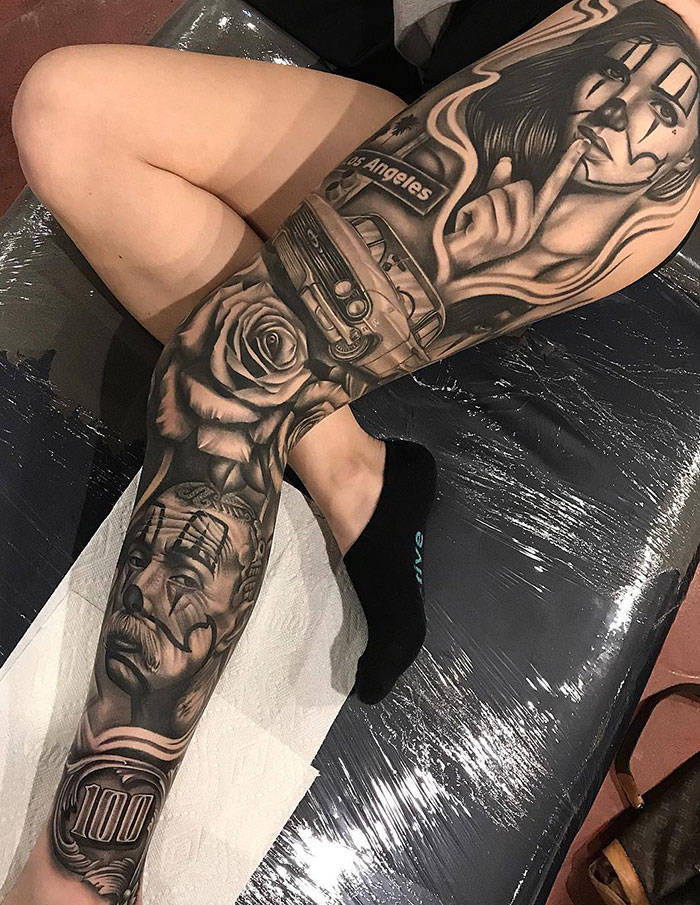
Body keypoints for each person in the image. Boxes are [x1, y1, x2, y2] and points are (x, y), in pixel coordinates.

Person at [6, 1, 700, 903]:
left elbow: (231, 379)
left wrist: (79, 873)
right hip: (453, 99)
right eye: (623, 89)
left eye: (653, 106)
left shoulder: (637, 71)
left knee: (238, 369)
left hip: (533, 167)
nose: (624, 107)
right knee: (63, 114)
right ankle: (350, 466)